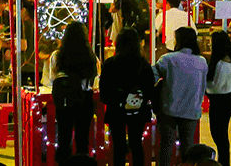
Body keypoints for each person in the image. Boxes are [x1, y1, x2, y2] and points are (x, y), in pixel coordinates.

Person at [153, 27, 208, 166]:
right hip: (191, 109)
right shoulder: (202, 62)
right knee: (188, 148)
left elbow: (151, 77)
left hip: (168, 109)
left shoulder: (168, 59)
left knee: (166, 146)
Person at [99, 28, 154, 166]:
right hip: (138, 110)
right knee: (136, 144)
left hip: (116, 110)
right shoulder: (144, 64)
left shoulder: (110, 64)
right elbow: (149, 89)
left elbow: (104, 92)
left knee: (118, 146)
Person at [51, 22, 98, 163]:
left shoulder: (58, 56)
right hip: (84, 100)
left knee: (64, 138)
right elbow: (93, 81)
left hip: (64, 100)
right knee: (82, 139)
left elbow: (53, 78)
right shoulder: (90, 56)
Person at [205, 31, 231, 166]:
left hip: (219, 101)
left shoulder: (220, 63)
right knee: (222, 135)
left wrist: (204, 88)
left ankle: (223, 162)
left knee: (219, 136)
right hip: (229, 99)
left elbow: (215, 86)